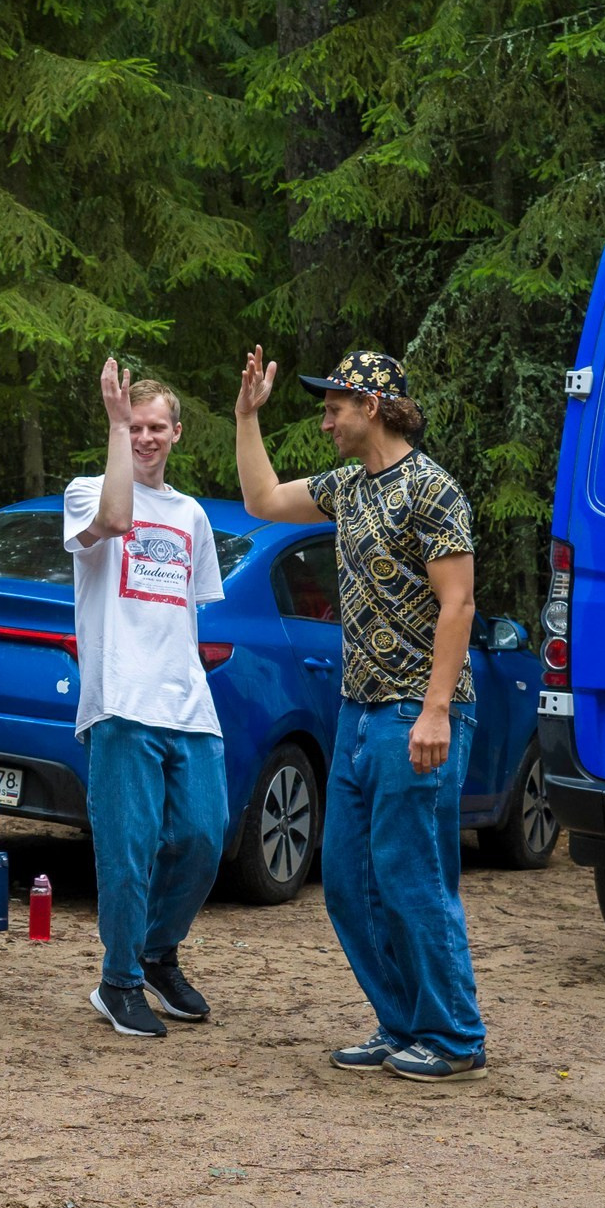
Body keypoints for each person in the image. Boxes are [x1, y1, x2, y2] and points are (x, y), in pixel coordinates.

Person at [235, 346, 486, 1082]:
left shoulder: (433, 490)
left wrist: (436, 709)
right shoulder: (350, 487)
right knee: (347, 878)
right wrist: (247, 416)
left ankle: (455, 1035)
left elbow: (459, 604)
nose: (325, 421)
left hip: (419, 710)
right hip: (358, 710)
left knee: (413, 875)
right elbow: (262, 501)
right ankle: (402, 1021)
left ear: (372, 406)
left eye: (334, 407)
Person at [65, 363, 229, 1040]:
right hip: (121, 698)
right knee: (128, 848)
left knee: (203, 834)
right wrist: (112, 424)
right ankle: (119, 980)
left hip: (186, 702)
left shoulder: (193, 515)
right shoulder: (87, 492)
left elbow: (188, 610)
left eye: (157, 426)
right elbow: (116, 516)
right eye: (135, 426)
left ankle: (157, 953)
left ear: (178, 432)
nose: (146, 437)